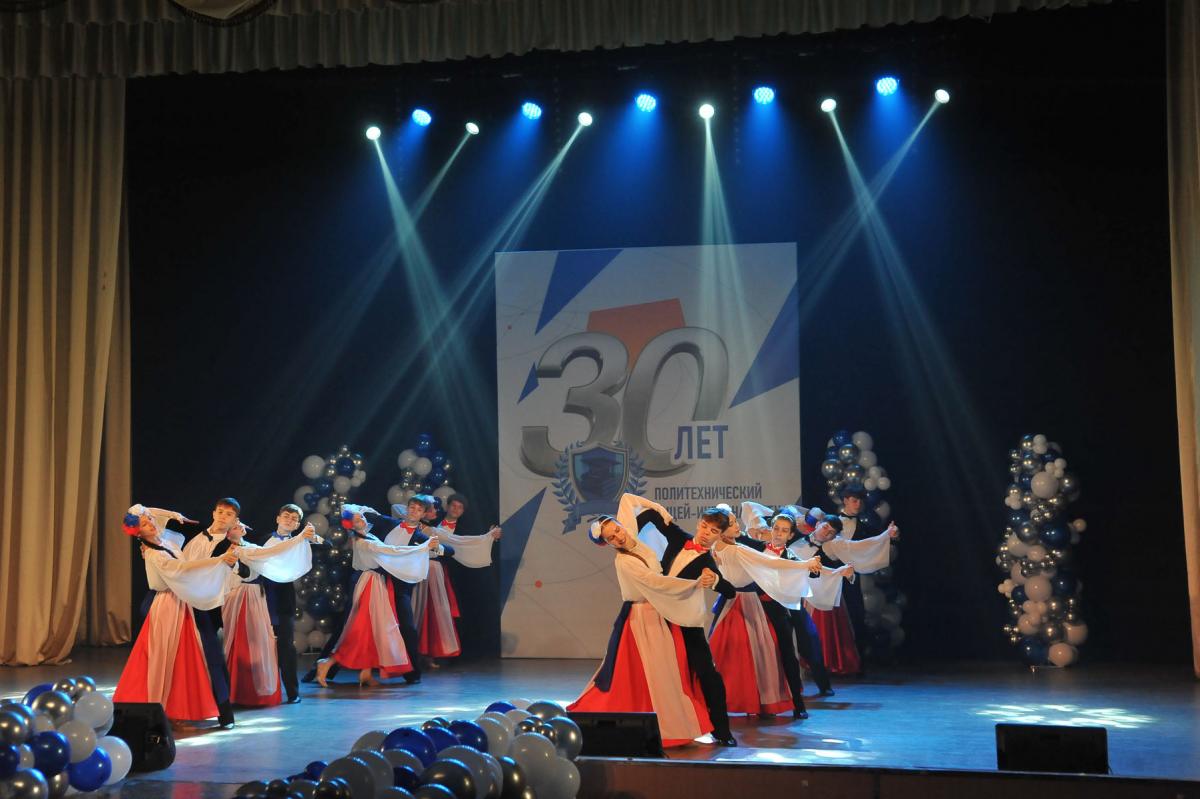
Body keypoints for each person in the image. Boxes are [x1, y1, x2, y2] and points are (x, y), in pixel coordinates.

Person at [567, 513, 717, 747]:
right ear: (607, 543)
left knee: (664, 673)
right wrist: (693, 584)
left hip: (658, 612)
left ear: (622, 525)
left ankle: (675, 724)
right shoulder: (625, 561)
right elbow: (654, 582)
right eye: (611, 537)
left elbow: (629, 499)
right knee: (653, 674)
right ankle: (665, 727)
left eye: (617, 530)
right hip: (643, 618)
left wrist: (659, 510)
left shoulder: (637, 544)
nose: (618, 536)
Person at [628, 496, 738, 746]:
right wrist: (631, 532)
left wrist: (715, 581)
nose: (706, 533)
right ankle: (652, 726)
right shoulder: (679, 538)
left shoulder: (707, 561)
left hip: (687, 623)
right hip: (658, 616)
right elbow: (652, 516)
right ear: (699, 523)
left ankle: (722, 731)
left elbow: (730, 591)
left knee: (707, 674)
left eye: (714, 531)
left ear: (720, 535)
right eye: (705, 527)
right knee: (652, 672)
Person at [114, 505, 238, 725]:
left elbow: (145, 510)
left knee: (196, 657)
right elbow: (183, 569)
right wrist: (219, 560)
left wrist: (171, 515)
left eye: (150, 520)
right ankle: (165, 707)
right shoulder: (154, 554)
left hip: (187, 599)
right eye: (145, 524)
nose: (151, 523)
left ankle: (211, 709)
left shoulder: (166, 540)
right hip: (170, 605)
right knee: (170, 658)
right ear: (138, 532)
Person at [708, 511, 820, 718]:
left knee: (785, 653)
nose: (778, 534)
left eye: (784, 531)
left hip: (775, 610)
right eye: (776, 529)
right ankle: (751, 701)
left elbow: (811, 571)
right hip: (752, 606)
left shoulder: (789, 555)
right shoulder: (755, 547)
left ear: (791, 535)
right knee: (747, 655)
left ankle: (797, 703)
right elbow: (735, 535)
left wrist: (812, 567)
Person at [314, 504, 438, 687]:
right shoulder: (364, 541)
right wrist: (424, 547)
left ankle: (365, 673)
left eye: (363, 517)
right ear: (351, 525)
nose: (363, 520)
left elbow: (354, 510)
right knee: (362, 628)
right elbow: (392, 551)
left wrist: (358, 511)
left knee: (373, 630)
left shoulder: (368, 536)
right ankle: (327, 662)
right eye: (357, 520)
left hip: (376, 583)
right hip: (370, 583)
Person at [221, 506, 318, 706]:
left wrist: (313, 538)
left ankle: (292, 692)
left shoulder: (300, 542)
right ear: (277, 518)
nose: (289, 520)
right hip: (259, 598)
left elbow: (326, 545)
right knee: (258, 647)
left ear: (298, 525)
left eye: (294, 518)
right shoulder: (262, 540)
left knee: (286, 647)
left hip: (282, 602)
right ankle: (258, 690)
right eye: (286, 516)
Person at [181, 497, 249, 729]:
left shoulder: (236, 542)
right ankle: (185, 709)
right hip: (188, 602)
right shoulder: (196, 539)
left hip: (212, 606)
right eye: (220, 511)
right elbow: (183, 567)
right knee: (188, 658)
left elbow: (245, 571)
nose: (222, 516)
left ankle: (225, 712)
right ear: (213, 513)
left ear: (235, 520)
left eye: (228, 514)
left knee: (214, 659)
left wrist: (235, 546)